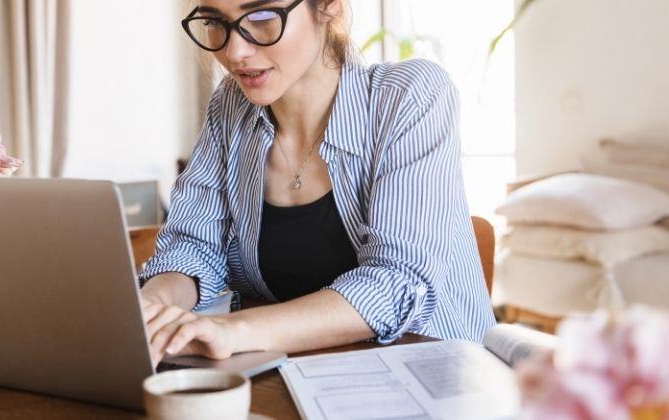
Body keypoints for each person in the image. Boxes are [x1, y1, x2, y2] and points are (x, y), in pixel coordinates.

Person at [138, 0, 496, 364]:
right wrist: (151, 306)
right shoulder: (230, 107)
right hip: (303, 376)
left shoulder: (409, 96)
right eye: (215, 21)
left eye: (261, 17)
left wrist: (234, 331)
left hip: (435, 376)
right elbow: (193, 245)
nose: (235, 51)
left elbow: (396, 283)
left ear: (328, 7)